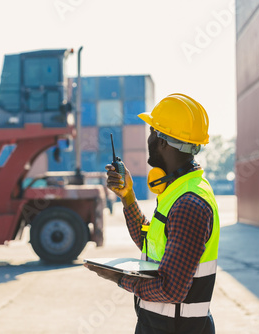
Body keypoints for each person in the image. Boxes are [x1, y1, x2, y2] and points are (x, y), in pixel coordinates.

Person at [85, 93, 220, 334]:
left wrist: (117, 277)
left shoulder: (189, 204)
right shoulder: (179, 191)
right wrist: (128, 197)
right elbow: (151, 243)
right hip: (164, 325)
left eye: (152, 131)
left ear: (162, 142)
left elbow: (171, 290)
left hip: (177, 329)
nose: (148, 139)